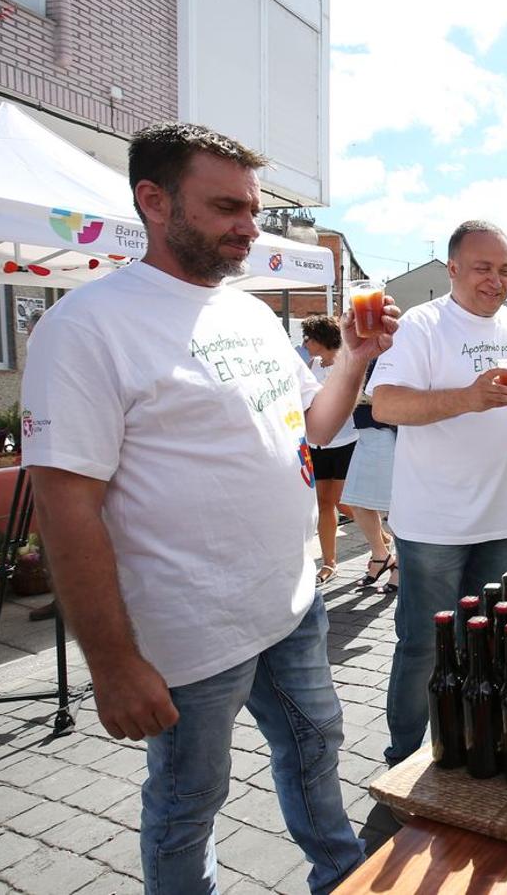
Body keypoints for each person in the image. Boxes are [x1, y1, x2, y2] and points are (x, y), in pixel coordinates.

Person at [21, 121, 398, 894]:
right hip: (186, 635)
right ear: (154, 201)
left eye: (253, 209)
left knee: (316, 744)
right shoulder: (87, 326)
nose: (249, 228)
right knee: (192, 798)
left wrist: (356, 359)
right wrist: (114, 664)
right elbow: (65, 510)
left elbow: (315, 427)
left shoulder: (250, 312)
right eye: (227, 207)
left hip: (291, 605)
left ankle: (340, 876)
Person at [370, 220, 507, 766]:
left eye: (504, 270)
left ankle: (472, 743)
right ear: (452, 269)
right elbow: (386, 405)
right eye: (482, 268)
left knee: (487, 642)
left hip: (502, 518)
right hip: (435, 523)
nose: (495, 281)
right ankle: (403, 756)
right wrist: (467, 399)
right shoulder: (423, 325)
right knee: (424, 646)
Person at [301, 314, 359, 585]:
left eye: (309, 337)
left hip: (347, 441)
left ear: (321, 339)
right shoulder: (310, 364)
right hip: (316, 445)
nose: (304, 342)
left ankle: (381, 540)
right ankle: (329, 563)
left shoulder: (345, 363)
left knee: (344, 503)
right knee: (324, 503)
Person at [341, 357, 398, 591]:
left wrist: (353, 392)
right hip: (365, 433)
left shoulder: (393, 348)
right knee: (357, 501)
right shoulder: (360, 351)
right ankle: (381, 555)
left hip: (386, 433)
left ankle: (400, 567)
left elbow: (395, 394)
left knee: (395, 506)